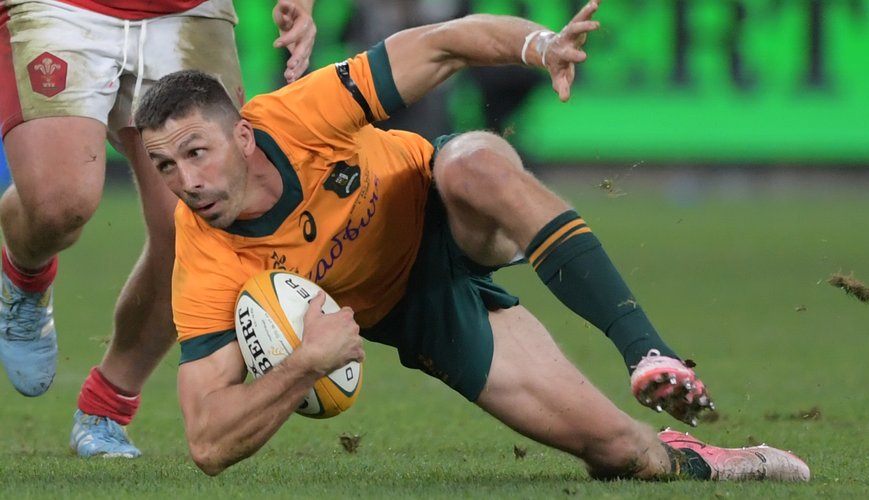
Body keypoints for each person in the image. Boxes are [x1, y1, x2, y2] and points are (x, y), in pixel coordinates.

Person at [135, 1, 810, 480]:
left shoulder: (297, 115)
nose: (186, 182)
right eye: (164, 166)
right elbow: (207, 442)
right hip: (415, 310)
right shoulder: (205, 258)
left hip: (440, 203)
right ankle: (702, 458)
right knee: (621, 455)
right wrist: (304, 364)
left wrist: (540, 46)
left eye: (196, 152)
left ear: (243, 136)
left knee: (473, 163)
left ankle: (648, 352)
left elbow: (445, 43)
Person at [0, 0, 317, 458]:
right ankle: (24, 278)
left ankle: (106, 408)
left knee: (196, 226)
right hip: (63, 7)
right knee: (59, 204)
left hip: (189, 11)